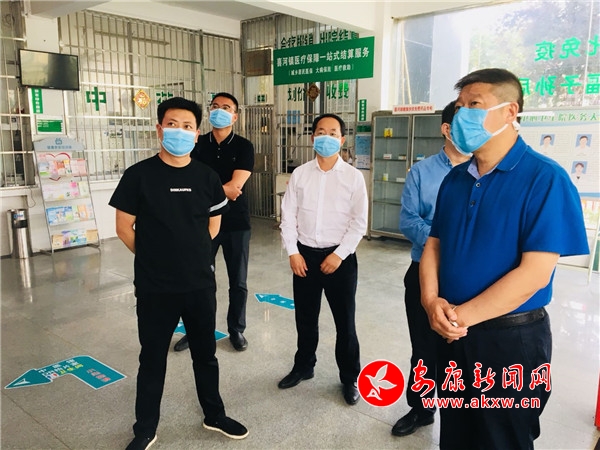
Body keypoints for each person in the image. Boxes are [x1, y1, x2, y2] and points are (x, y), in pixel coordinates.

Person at [419, 68, 588, 450]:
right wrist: (431, 303)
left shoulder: (545, 179)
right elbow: (434, 246)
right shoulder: (455, 179)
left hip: (510, 342)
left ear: (510, 111)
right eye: (459, 106)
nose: (462, 115)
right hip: (453, 334)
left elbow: (535, 274)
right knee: (456, 433)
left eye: (474, 104)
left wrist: (459, 318)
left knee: (502, 439)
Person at [109, 97, 248, 450]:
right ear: (159, 129)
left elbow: (213, 225)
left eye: (187, 126)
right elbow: (124, 227)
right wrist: (155, 257)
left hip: (199, 283)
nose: (180, 131)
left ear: (197, 133)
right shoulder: (138, 175)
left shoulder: (207, 177)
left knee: (206, 354)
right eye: (172, 124)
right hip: (155, 286)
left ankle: (214, 414)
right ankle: (145, 428)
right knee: (152, 357)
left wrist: (192, 255)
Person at [392, 101, 471, 437]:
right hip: (423, 271)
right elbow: (409, 221)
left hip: (470, 278)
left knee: (463, 349)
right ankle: (421, 409)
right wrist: (445, 242)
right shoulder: (422, 172)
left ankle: (461, 415)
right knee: (424, 348)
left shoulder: (487, 172)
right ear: (447, 129)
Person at [278, 113, 368, 405]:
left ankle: (350, 378)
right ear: (312, 137)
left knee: (345, 323)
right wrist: (292, 251)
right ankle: (304, 366)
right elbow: (288, 216)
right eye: (320, 131)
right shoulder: (300, 174)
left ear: (341, 140)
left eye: (332, 133)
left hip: (340, 259)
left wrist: (339, 255)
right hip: (304, 257)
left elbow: (359, 223)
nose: (326, 137)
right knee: (305, 319)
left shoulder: (353, 177)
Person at [174, 92, 255, 353]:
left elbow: (235, 188)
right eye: (215, 106)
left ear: (235, 116)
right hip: (202, 223)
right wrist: (218, 190)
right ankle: (196, 330)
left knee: (238, 281)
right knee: (198, 279)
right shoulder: (196, 144)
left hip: (236, 223)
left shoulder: (244, 146)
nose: (220, 110)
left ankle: (236, 329)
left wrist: (204, 191)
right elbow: (190, 183)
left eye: (226, 107)